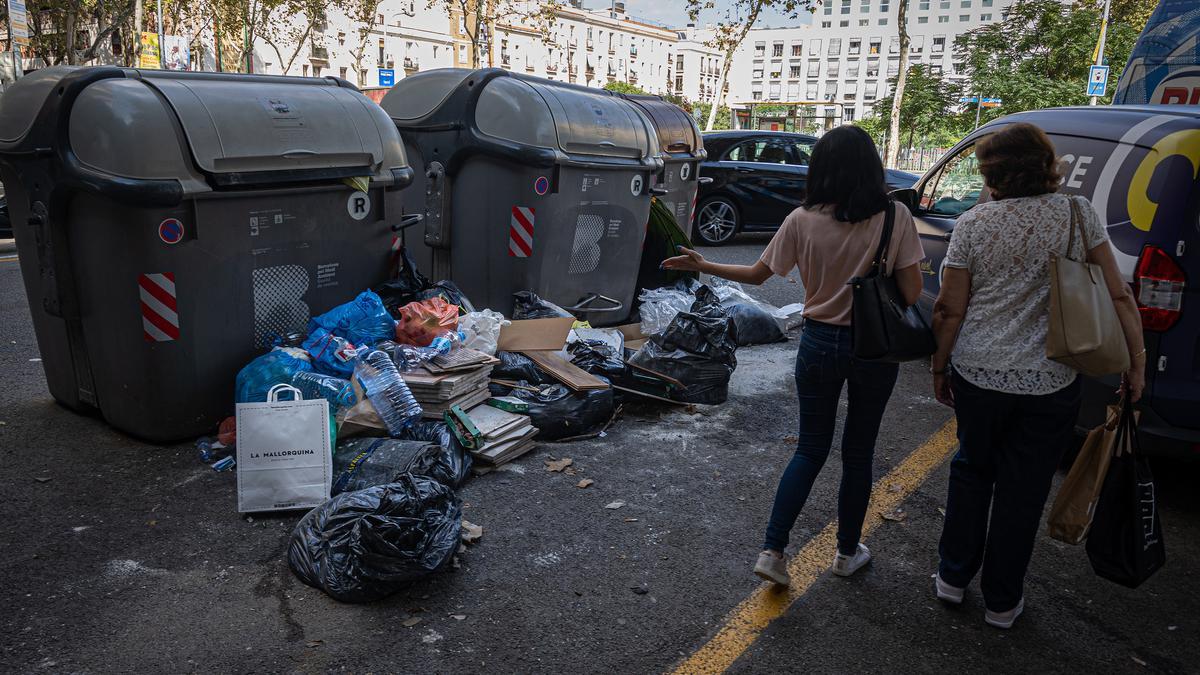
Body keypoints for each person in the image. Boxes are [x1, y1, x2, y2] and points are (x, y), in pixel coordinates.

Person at [662, 125, 925, 586]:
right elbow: (911, 291)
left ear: (820, 167)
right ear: (871, 166)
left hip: (820, 341)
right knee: (858, 453)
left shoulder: (802, 219)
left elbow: (758, 274)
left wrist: (702, 263)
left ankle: (773, 550)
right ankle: (846, 552)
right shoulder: (893, 216)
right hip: (874, 347)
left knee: (809, 448)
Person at [929, 123, 1146, 629]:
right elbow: (1118, 296)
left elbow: (948, 309)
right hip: (1050, 380)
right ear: (1048, 163)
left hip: (978, 374)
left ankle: (952, 579)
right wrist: (1135, 364)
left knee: (971, 472)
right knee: (1023, 490)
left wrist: (941, 366)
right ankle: (1003, 602)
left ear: (991, 172)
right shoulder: (1076, 213)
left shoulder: (975, 223)